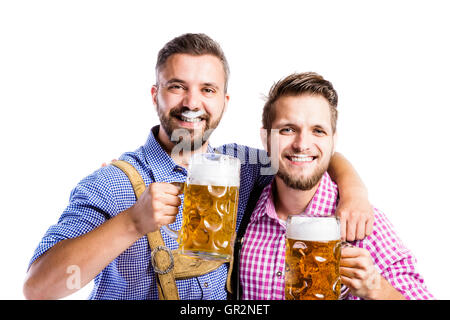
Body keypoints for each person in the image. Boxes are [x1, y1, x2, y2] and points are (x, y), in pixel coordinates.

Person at [23, 34, 372, 300]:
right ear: (155, 94)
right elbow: (38, 288)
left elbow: (301, 150)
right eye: (177, 87)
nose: (192, 102)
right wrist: (131, 223)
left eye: (207, 89)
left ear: (224, 101)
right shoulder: (112, 183)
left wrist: (354, 191)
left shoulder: (242, 165)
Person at [239, 72, 433, 300]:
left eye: (318, 131)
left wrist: (376, 289)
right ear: (265, 139)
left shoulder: (361, 223)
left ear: (333, 141)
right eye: (287, 129)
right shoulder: (242, 208)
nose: (302, 144)